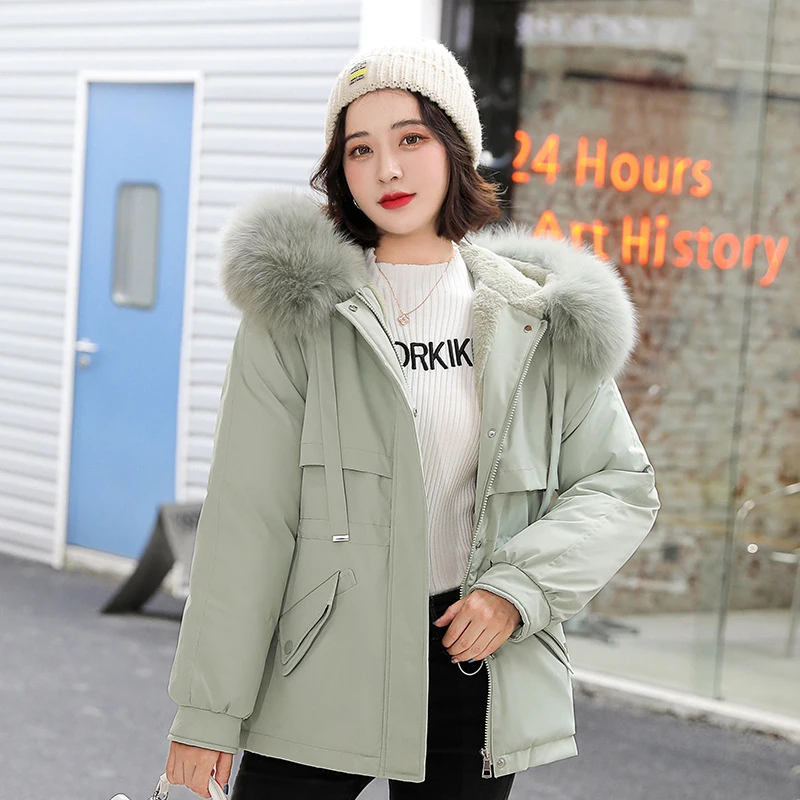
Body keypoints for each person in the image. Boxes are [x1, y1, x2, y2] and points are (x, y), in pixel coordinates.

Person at [163, 39, 660, 800]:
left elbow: (618, 485)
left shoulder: (535, 318)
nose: (387, 169)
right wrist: (207, 713)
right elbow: (248, 521)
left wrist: (517, 590)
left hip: (470, 659)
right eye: (360, 149)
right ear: (340, 171)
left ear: (457, 149)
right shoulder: (300, 316)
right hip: (319, 661)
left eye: (411, 139)